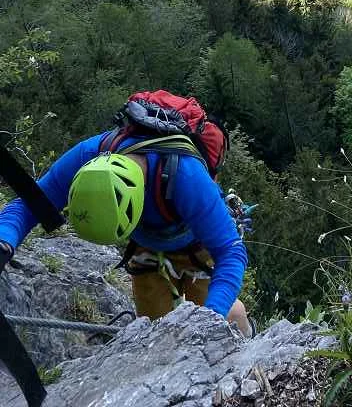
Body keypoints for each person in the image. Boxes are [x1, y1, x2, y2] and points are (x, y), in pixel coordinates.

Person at [0, 129, 251, 335]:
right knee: (155, 333)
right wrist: (4, 241)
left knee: (226, 320)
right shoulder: (89, 154)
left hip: (198, 246)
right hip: (147, 249)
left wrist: (211, 316)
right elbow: (27, 205)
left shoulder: (186, 176)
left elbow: (231, 252)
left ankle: (246, 341)